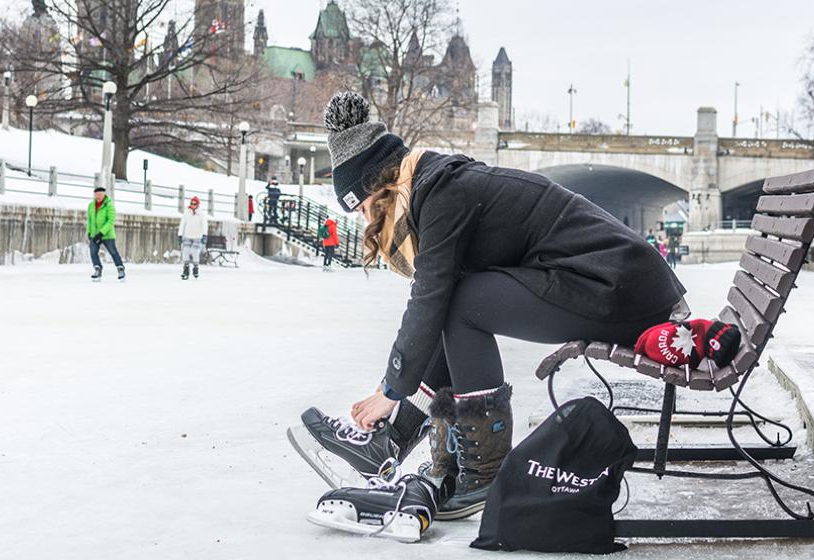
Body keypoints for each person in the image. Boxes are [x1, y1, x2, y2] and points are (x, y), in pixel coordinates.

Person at [294, 91, 687, 520]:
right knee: (459, 299)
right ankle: (392, 445)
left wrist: (391, 390)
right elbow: (433, 302)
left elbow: (428, 297)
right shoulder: (433, 183)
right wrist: (393, 389)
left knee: (463, 302)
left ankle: (484, 472)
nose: (368, 221)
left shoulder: (442, 193)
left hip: (619, 287)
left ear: (382, 186)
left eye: (365, 207)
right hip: (616, 285)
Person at [87, 186, 126, 281]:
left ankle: (120, 269)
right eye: (96, 194)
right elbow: (90, 220)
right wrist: (89, 232)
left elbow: (111, 221)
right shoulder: (91, 205)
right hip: (94, 235)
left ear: (104, 194)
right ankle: (97, 269)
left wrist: (101, 233)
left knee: (113, 252)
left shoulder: (109, 205)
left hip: (107, 235)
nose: (98, 196)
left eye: (100, 194)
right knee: (93, 253)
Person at [178, 196, 208, 280]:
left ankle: (195, 268)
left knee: (195, 252)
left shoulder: (201, 214)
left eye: (195, 204)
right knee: (186, 252)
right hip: (187, 236)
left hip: (197, 237)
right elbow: (182, 224)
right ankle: (186, 270)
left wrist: (204, 235)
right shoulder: (187, 212)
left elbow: (204, 225)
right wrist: (180, 235)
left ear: (197, 204)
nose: (193, 205)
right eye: (191, 203)